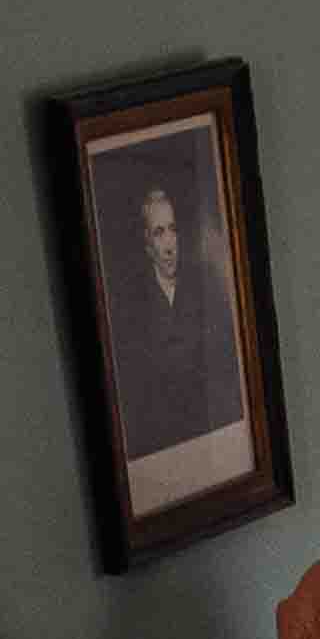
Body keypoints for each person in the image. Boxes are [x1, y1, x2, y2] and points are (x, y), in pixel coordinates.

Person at [105, 143, 246, 475]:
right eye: (158, 233)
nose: (169, 244)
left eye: (172, 229)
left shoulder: (204, 291)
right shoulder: (133, 307)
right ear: (146, 243)